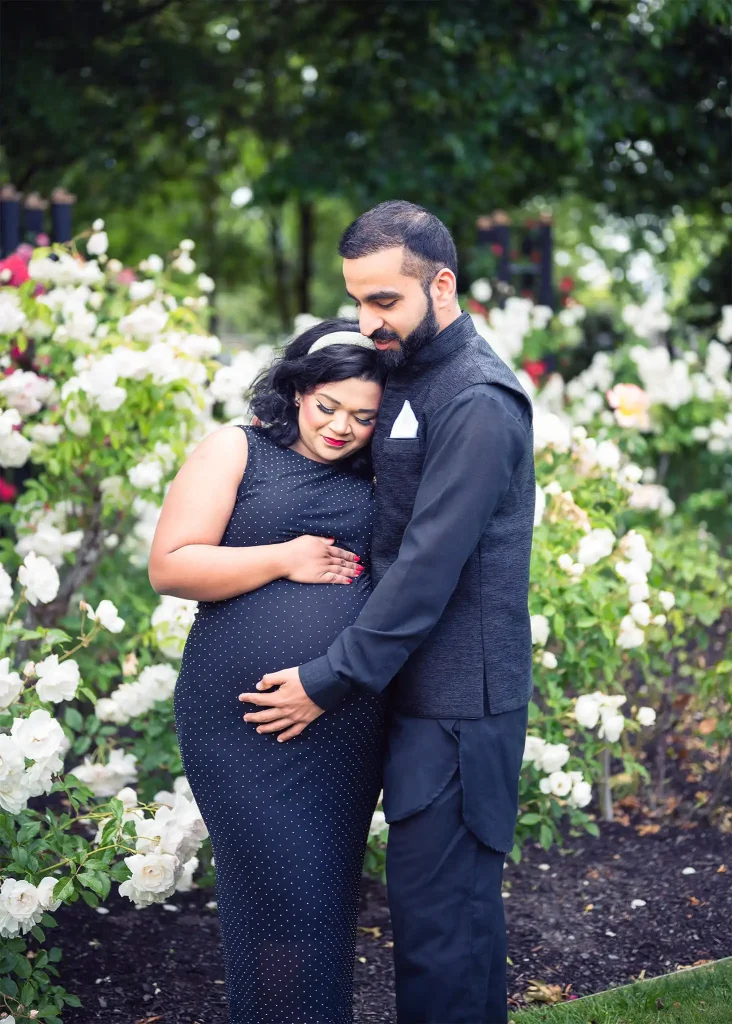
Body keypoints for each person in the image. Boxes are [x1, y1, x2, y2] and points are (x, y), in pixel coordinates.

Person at [240, 200, 536, 1024]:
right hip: (408, 696)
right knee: (440, 929)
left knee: (443, 935)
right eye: (358, 299)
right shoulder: (406, 374)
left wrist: (327, 680)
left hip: (457, 707)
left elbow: (428, 572)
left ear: (442, 285)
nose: (368, 321)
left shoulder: (477, 401)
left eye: (384, 302)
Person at [148, 319, 387, 1024]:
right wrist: (284, 557)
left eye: (364, 416)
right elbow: (170, 564)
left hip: (341, 723)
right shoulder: (236, 448)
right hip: (243, 728)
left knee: (324, 895)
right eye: (328, 407)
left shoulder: (379, 469)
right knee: (277, 894)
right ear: (297, 390)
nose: (343, 427)